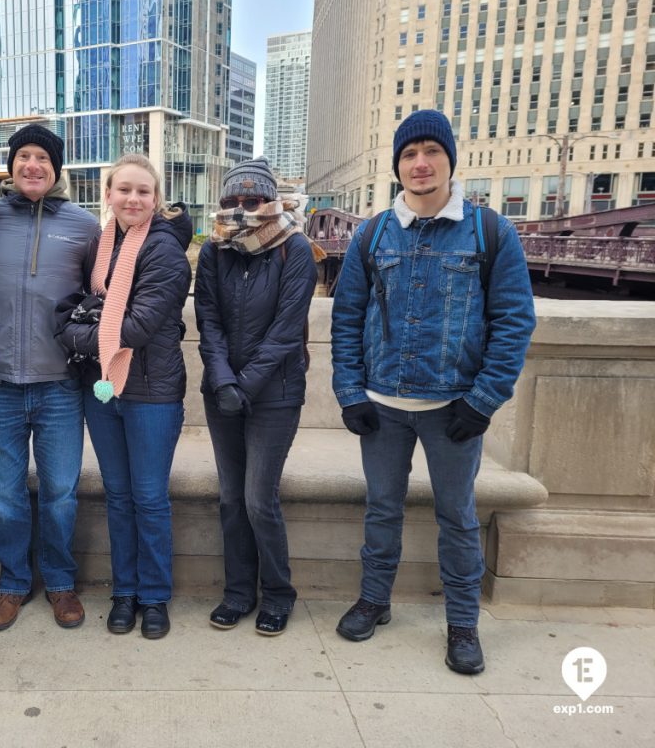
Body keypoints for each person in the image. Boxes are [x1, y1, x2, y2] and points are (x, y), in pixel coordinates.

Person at [330, 109, 535, 674]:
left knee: (458, 517)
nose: (420, 163)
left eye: (431, 152)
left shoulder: (489, 231)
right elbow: (346, 317)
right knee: (381, 509)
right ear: (398, 166)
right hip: (383, 404)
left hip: (453, 406)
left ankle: (463, 623)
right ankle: (374, 600)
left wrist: (483, 400)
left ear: (449, 160)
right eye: (409, 154)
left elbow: (514, 320)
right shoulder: (373, 234)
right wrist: (350, 391)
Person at [56, 155, 192, 640]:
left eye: (143, 191)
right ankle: (125, 591)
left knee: (149, 498)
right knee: (117, 496)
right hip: (104, 388)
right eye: (124, 189)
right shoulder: (100, 244)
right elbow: (77, 305)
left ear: (156, 199)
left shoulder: (165, 250)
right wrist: (76, 326)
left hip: (152, 392)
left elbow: (134, 328)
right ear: (108, 194)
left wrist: (71, 334)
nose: (133, 199)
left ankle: (154, 596)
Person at [0, 125, 100, 631]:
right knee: (3, 495)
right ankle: (13, 584)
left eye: (42, 158)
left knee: (61, 494)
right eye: (23, 155)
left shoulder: (84, 225)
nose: (32, 165)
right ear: (10, 165)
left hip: (59, 385)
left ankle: (61, 582)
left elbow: (105, 292)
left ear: (56, 168)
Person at [194, 157, 317, 637]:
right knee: (230, 499)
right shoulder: (214, 250)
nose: (243, 208)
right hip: (222, 392)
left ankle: (279, 594)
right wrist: (223, 382)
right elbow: (208, 320)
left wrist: (243, 385)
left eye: (253, 199)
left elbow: (287, 331)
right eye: (233, 200)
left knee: (258, 499)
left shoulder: (296, 249)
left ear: (271, 201)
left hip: (275, 394)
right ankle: (238, 592)